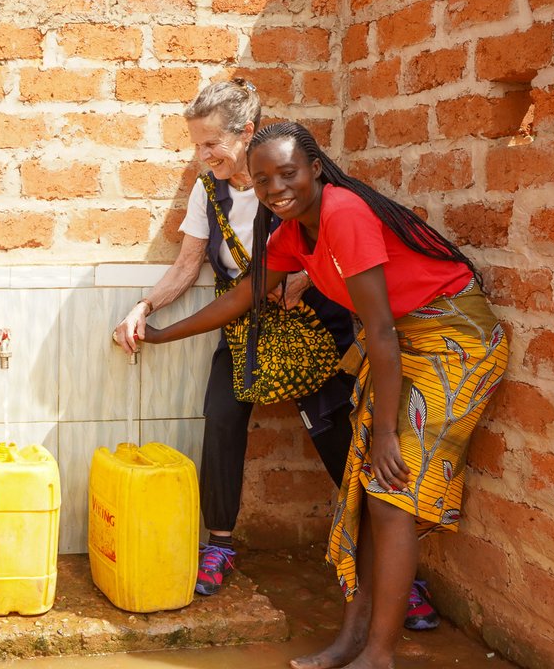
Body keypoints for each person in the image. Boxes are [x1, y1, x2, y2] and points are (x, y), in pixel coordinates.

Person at [140, 121, 508, 669]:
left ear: (315, 168)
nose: (274, 188)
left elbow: (379, 330)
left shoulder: (344, 213)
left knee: (389, 493)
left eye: (287, 173)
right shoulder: (294, 232)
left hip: (453, 341)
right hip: (400, 343)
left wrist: (385, 433)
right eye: (262, 180)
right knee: (364, 495)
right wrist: (161, 332)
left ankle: (378, 653)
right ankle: (351, 639)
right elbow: (246, 295)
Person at [112, 80, 439, 631]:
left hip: (310, 327)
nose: (203, 156)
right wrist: (145, 307)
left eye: (211, 143)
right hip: (243, 327)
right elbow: (188, 265)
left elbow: (330, 246)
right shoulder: (207, 191)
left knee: (336, 435)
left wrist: (306, 280)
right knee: (220, 419)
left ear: (245, 134)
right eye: (196, 146)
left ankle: (392, 571)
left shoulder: (285, 183)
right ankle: (219, 543)